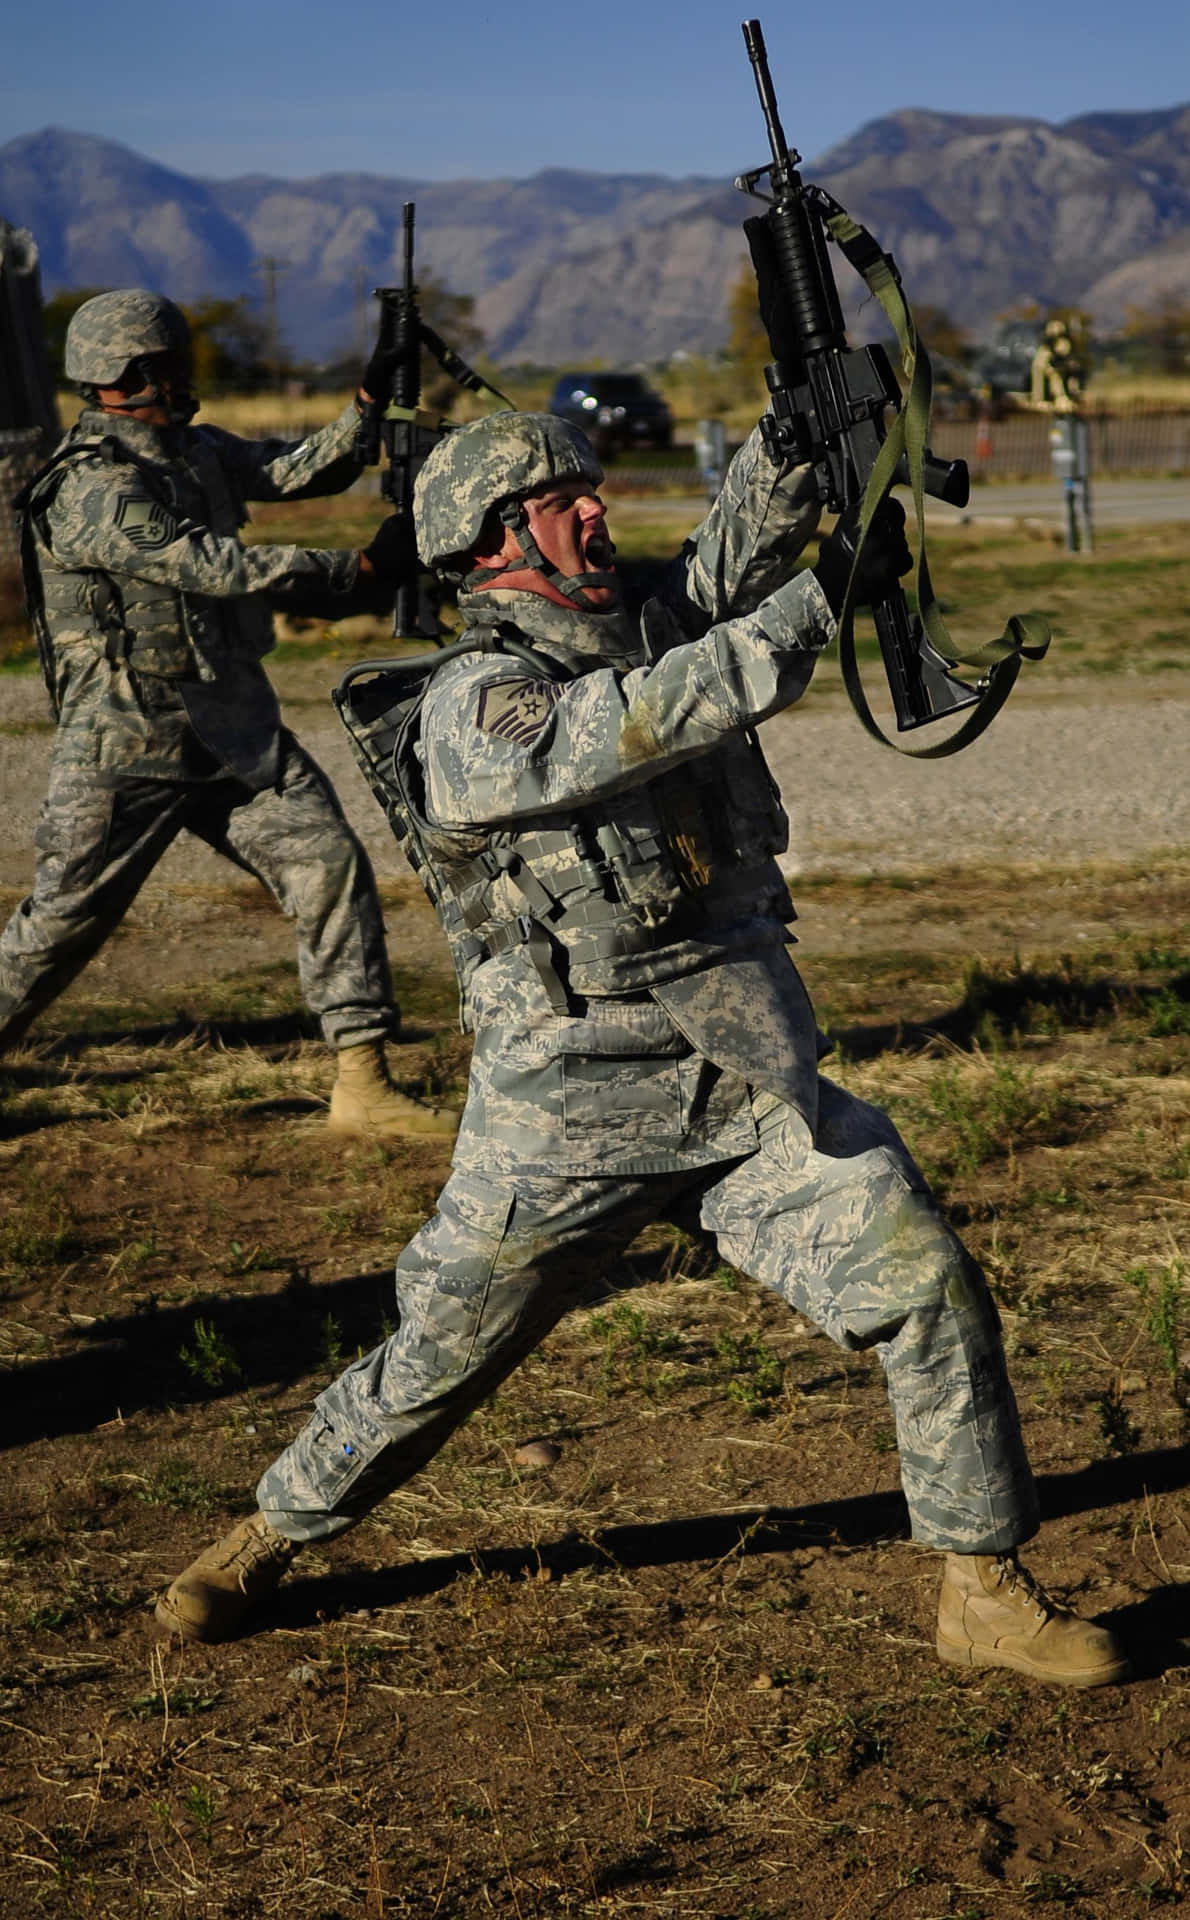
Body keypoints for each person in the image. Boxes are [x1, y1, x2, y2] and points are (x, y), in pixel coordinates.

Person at [156, 411, 1128, 1689]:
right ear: (498, 543)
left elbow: (726, 565)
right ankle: (265, 1537)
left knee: (926, 1283)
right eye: (565, 501)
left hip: (743, 1083)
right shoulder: (471, 702)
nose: (597, 511)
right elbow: (639, 715)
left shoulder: (646, 620)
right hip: (569, 1117)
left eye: (592, 490)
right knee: (435, 1361)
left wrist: (794, 446)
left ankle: (981, 1590)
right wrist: (804, 612)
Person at [0, 288, 455, 1138]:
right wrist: (352, 572)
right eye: (168, 366)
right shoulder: (91, 486)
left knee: (328, 864)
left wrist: (366, 405)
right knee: (61, 924)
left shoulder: (193, 451)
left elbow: (293, 471)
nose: (185, 378)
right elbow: (208, 564)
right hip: (126, 744)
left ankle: (362, 1083)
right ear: (120, 376)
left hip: (235, 736)